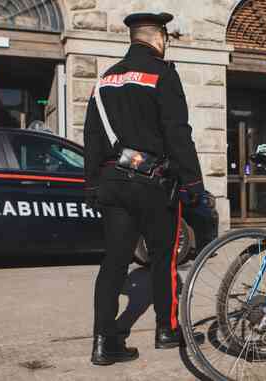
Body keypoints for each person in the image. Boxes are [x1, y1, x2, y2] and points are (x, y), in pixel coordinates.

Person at [83, 12, 205, 366]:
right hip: (152, 183)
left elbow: (91, 136)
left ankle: (104, 343)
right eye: (165, 37)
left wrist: (91, 184)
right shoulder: (162, 74)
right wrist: (193, 182)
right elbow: (178, 133)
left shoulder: (104, 79)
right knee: (163, 257)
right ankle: (166, 330)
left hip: (111, 181)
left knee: (114, 262)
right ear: (157, 38)